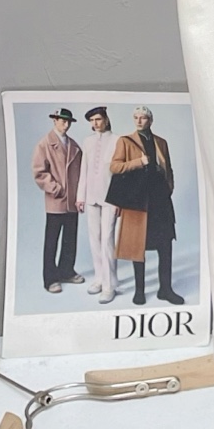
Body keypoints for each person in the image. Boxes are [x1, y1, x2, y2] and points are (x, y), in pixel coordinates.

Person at [109, 106, 184, 306]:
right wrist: (138, 162)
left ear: (150, 120)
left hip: (160, 201)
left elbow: (169, 168)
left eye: (143, 117)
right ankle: (139, 291)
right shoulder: (125, 141)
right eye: (136, 117)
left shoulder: (161, 142)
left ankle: (165, 289)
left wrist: (168, 188)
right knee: (138, 245)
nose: (139, 121)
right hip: (138, 200)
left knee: (165, 244)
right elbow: (115, 167)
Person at [31, 108, 83, 294]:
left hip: (73, 201)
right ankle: (50, 279)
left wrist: (80, 195)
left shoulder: (74, 146)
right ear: (54, 121)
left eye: (68, 121)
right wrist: (55, 188)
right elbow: (39, 172)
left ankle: (66, 271)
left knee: (70, 238)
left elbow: (81, 173)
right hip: (56, 200)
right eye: (62, 121)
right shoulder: (45, 144)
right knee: (52, 240)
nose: (65, 124)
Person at [76, 105, 119, 303]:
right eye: (92, 120)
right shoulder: (88, 141)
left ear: (106, 120)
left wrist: (119, 200)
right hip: (91, 196)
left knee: (107, 239)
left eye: (98, 119)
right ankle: (99, 279)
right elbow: (84, 170)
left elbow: (120, 174)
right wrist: (80, 197)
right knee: (95, 238)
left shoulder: (117, 140)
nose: (95, 123)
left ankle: (109, 286)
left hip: (110, 197)